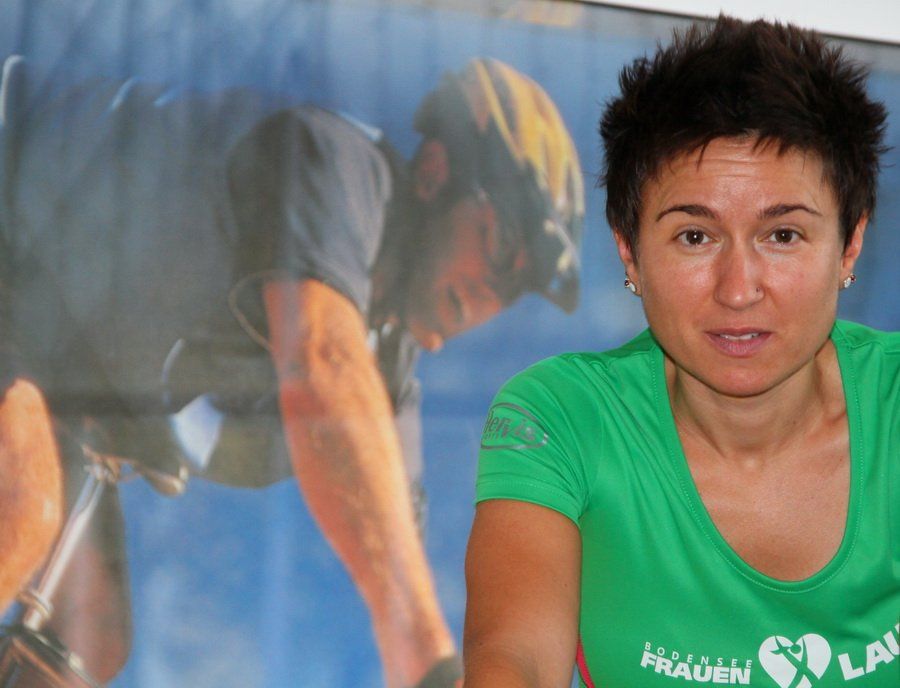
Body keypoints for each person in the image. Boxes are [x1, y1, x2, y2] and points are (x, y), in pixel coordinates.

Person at [0, 56, 584, 687]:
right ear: (435, 172)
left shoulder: (385, 367)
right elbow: (323, 363)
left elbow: (395, 548)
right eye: (500, 244)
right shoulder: (333, 164)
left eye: (517, 286)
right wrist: (428, 665)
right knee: (20, 510)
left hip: (48, 348)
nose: (491, 292)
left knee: (88, 634)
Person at [464, 16, 898, 688]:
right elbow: (513, 657)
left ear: (850, 245)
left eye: (783, 235)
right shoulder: (566, 417)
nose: (738, 289)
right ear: (629, 251)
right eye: (695, 237)